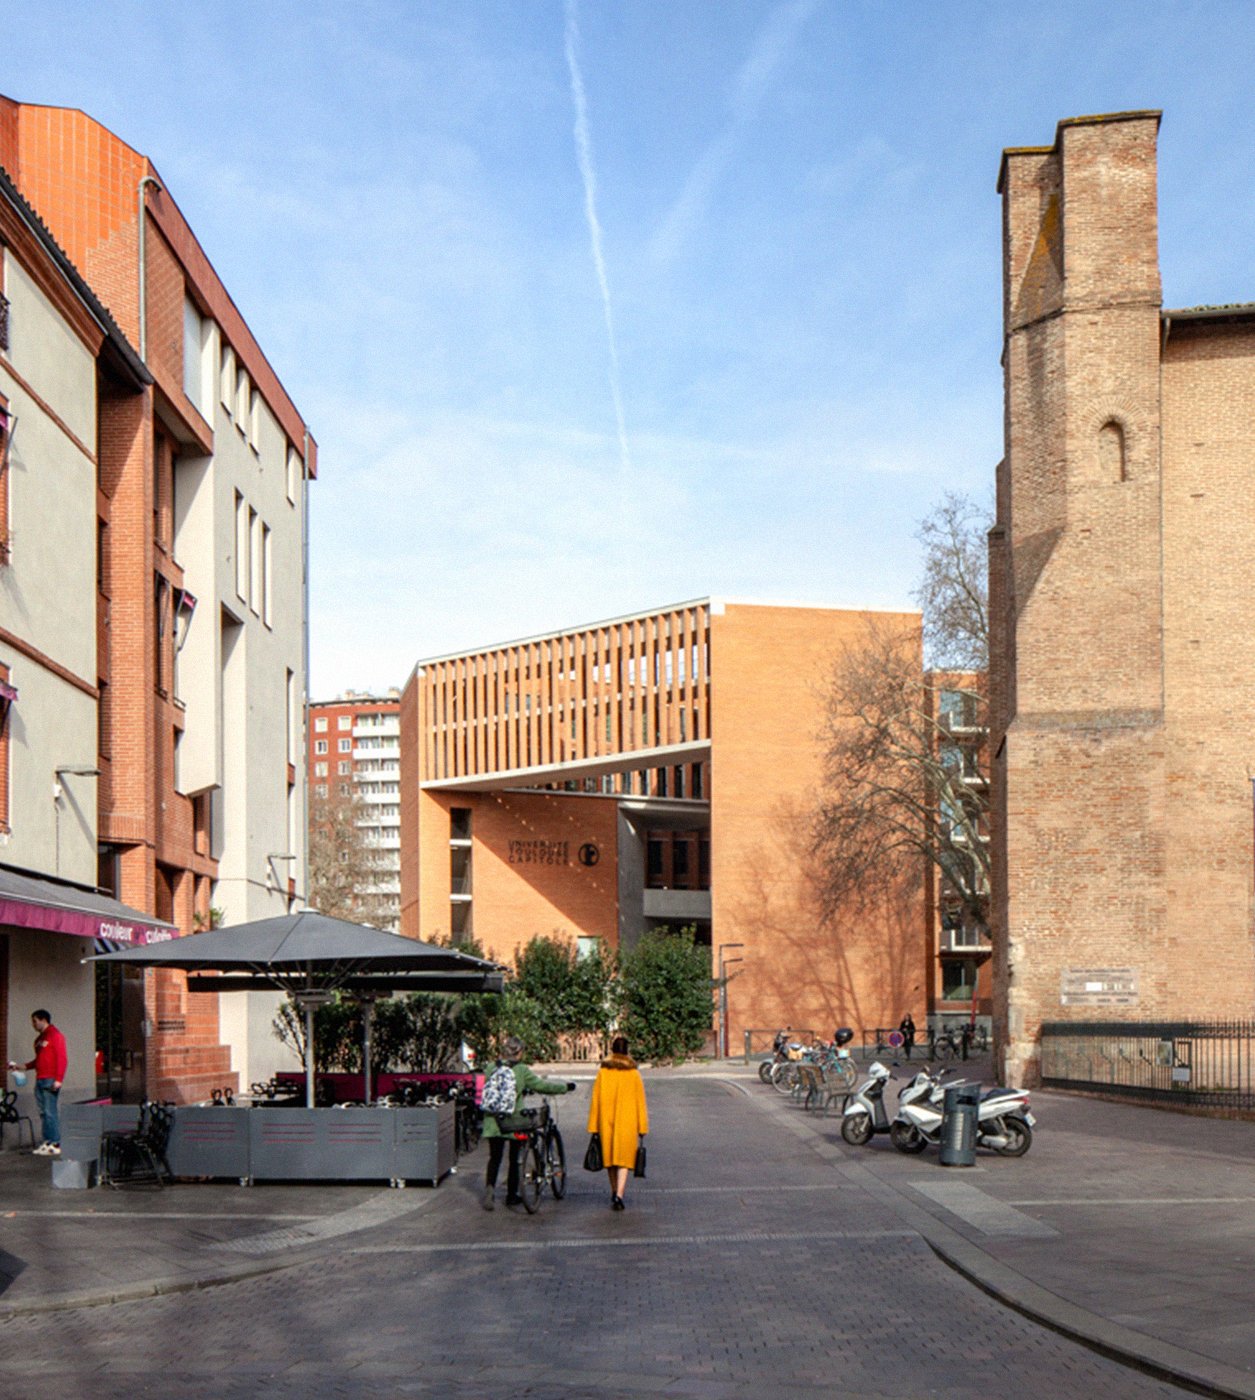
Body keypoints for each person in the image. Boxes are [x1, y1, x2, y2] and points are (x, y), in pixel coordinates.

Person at [481, 1036, 575, 1210]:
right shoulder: (521, 1070)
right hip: (513, 1120)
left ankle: (489, 1191)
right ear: (519, 1052)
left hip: (493, 1120)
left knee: (494, 1157)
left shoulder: (491, 1067)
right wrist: (564, 1088)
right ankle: (511, 1195)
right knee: (515, 1157)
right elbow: (541, 1086)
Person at [587, 1034, 649, 1211]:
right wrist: (642, 1127)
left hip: (607, 1122)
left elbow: (596, 1100)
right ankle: (620, 1194)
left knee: (610, 1160)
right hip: (628, 1123)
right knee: (623, 1160)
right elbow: (640, 1102)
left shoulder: (603, 1073)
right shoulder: (634, 1074)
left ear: (612, 1051)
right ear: (627, 1052)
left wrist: (593, 1125)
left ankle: (614, 1190)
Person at [10, 1009, 67, 1156]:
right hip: (40, 1078)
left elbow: (61, 1058)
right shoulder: (39, 1040)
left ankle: (55, 1142)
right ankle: (47, 1141)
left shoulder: (55, 1035)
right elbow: (39, 1060)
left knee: (50, 1111)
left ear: (44, 1020)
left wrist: (58, 1079)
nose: (33, 1024)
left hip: (50, 1079)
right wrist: (23, 1067)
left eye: (35, 1021)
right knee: (43, 1112)